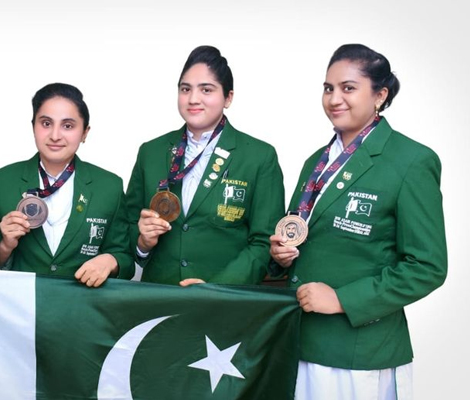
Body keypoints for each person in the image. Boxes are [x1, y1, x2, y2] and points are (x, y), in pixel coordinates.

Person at [269, 44, 447, 400]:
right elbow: (304, 237)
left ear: (380, 95)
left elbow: (427, 267)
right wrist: (280, 256)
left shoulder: (411, 161)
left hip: (358, 354)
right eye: (328, 88)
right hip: (300, 341)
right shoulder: (315, 162)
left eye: (348, 88)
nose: (334, 99)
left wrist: (342, 299)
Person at [125, 45, 284, 286]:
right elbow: (127, 226)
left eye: (206, 90)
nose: (193, 99)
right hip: (158, 294)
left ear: (228, 97)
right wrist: (142, 243)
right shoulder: (151, 152)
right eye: (185, 89)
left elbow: (264, 242)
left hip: (224, 299)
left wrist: (217, 289)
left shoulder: (259, 156)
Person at [0, 83, 133, 286]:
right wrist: (5, 246)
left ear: (85, 133)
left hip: (84, 303)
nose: (55, 135)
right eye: (46, 123)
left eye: (68, 126)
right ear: (33, 126)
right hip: (18, 302)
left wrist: (111, 261)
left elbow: (126, 258)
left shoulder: (109, 186)